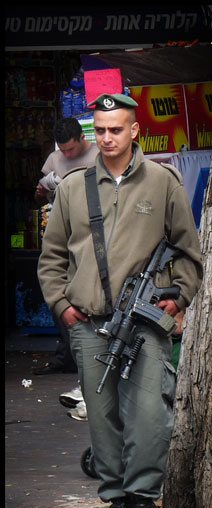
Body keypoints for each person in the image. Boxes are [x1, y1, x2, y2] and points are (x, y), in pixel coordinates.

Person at [37, 93, 203, 508]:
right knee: (102, 417)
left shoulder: (163, 182)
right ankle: (117, 502)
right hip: (90, 324)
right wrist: (64, 307)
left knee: (151, 414)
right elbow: (51, 258)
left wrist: (177, 297)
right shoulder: (74, 187)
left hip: (146, 324)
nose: (108, 137)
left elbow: (189, 251)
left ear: (134, 131)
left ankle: (145, 500)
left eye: (116, 129)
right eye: (101, 130)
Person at [34, 118, 101, 379]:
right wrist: (42, 190)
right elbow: (38, 197)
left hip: (90, 232)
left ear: (82, 140)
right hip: (60, 230)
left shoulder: (98, 154)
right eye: (63, 150)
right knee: (57, 288)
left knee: (85, 288)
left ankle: (86, 352)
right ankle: (67, 353)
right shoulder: (54, 159)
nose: (67, 155)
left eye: (71, 150)